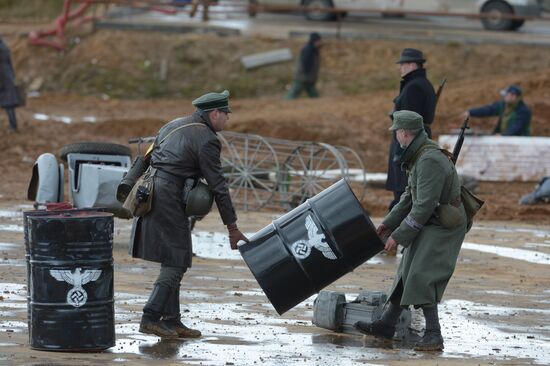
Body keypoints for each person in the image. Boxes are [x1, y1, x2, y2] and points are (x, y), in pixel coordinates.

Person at [130, 90, 249, 339]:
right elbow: (218, 186)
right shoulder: (207, 138)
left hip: (152, 191)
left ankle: (172, 321)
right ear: (214, 113)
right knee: (178, 260)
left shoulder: (173, 124)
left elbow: (150, 157)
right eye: (226, 114)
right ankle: (150, 317)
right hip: (169, 198)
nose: (227, 119)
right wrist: (232, 227)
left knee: (173, 258)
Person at [355, 110, 468, 352]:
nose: (396, 137)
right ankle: (387, 324)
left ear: (404, 133)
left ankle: (433, 335)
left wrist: (397, 236)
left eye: (396, 132)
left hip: (443, 226)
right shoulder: (419, 155)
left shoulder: (428, 160)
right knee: (406, 271)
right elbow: (409, 197)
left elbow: (423, 206)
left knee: (421, 275)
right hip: (432, 219)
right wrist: (387, 225)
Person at [386, 48, 436, 212]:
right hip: (414, 140)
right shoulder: (419, 84)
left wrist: (401, 152)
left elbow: (407, 123)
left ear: (413, 65)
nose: (400, 67)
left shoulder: (413, 87)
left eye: (403, 64)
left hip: (408, 144)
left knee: (403, 192)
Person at [461, 84, 531, 136]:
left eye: (507, 95)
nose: (504, 97)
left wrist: (503, 135)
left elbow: (516, 127)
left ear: (514, 96)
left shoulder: (523, 111)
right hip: (504, 138)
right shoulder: (503, 105)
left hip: (519, 140)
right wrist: (471, 112)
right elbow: (488, 110)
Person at [286, 32, 322, 100]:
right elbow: (306, 65)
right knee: (293, 93)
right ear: (314, 41)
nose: (320, 43)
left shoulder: (313, 49)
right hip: (302, 78)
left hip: (307, 79)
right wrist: (308, 76)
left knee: (314, 94)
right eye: (318, 41)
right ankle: (285, 103)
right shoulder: (308, 50)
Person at [0, 38, 20, 132]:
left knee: (8, 105)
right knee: (9, 104)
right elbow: (10, 64)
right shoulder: (5, 47)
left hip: (3, 79)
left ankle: (13, 126)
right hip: (8, 77)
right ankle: (13, 126)